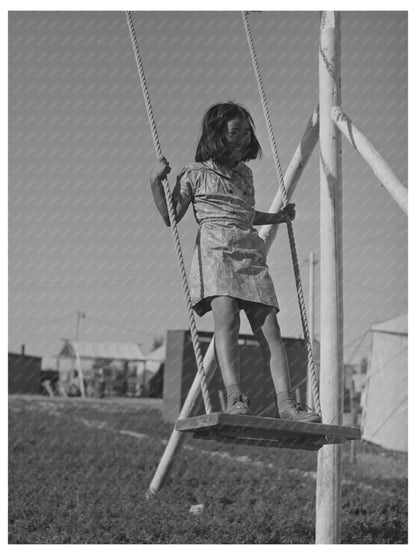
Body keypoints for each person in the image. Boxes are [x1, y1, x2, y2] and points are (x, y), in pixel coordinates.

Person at [149, 101, 320, 422]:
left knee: (270, 328)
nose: (241, 138)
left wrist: (277, 217)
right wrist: (154, 182)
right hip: (216, 252)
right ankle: (235, 397)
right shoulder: (193, 173)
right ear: (216, 135)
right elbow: (169, 216)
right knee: (227, 321)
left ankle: (286, 403)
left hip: (248, 251)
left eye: (245, 132)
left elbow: (244, 213)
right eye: (233, 132)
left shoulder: (245, 174)